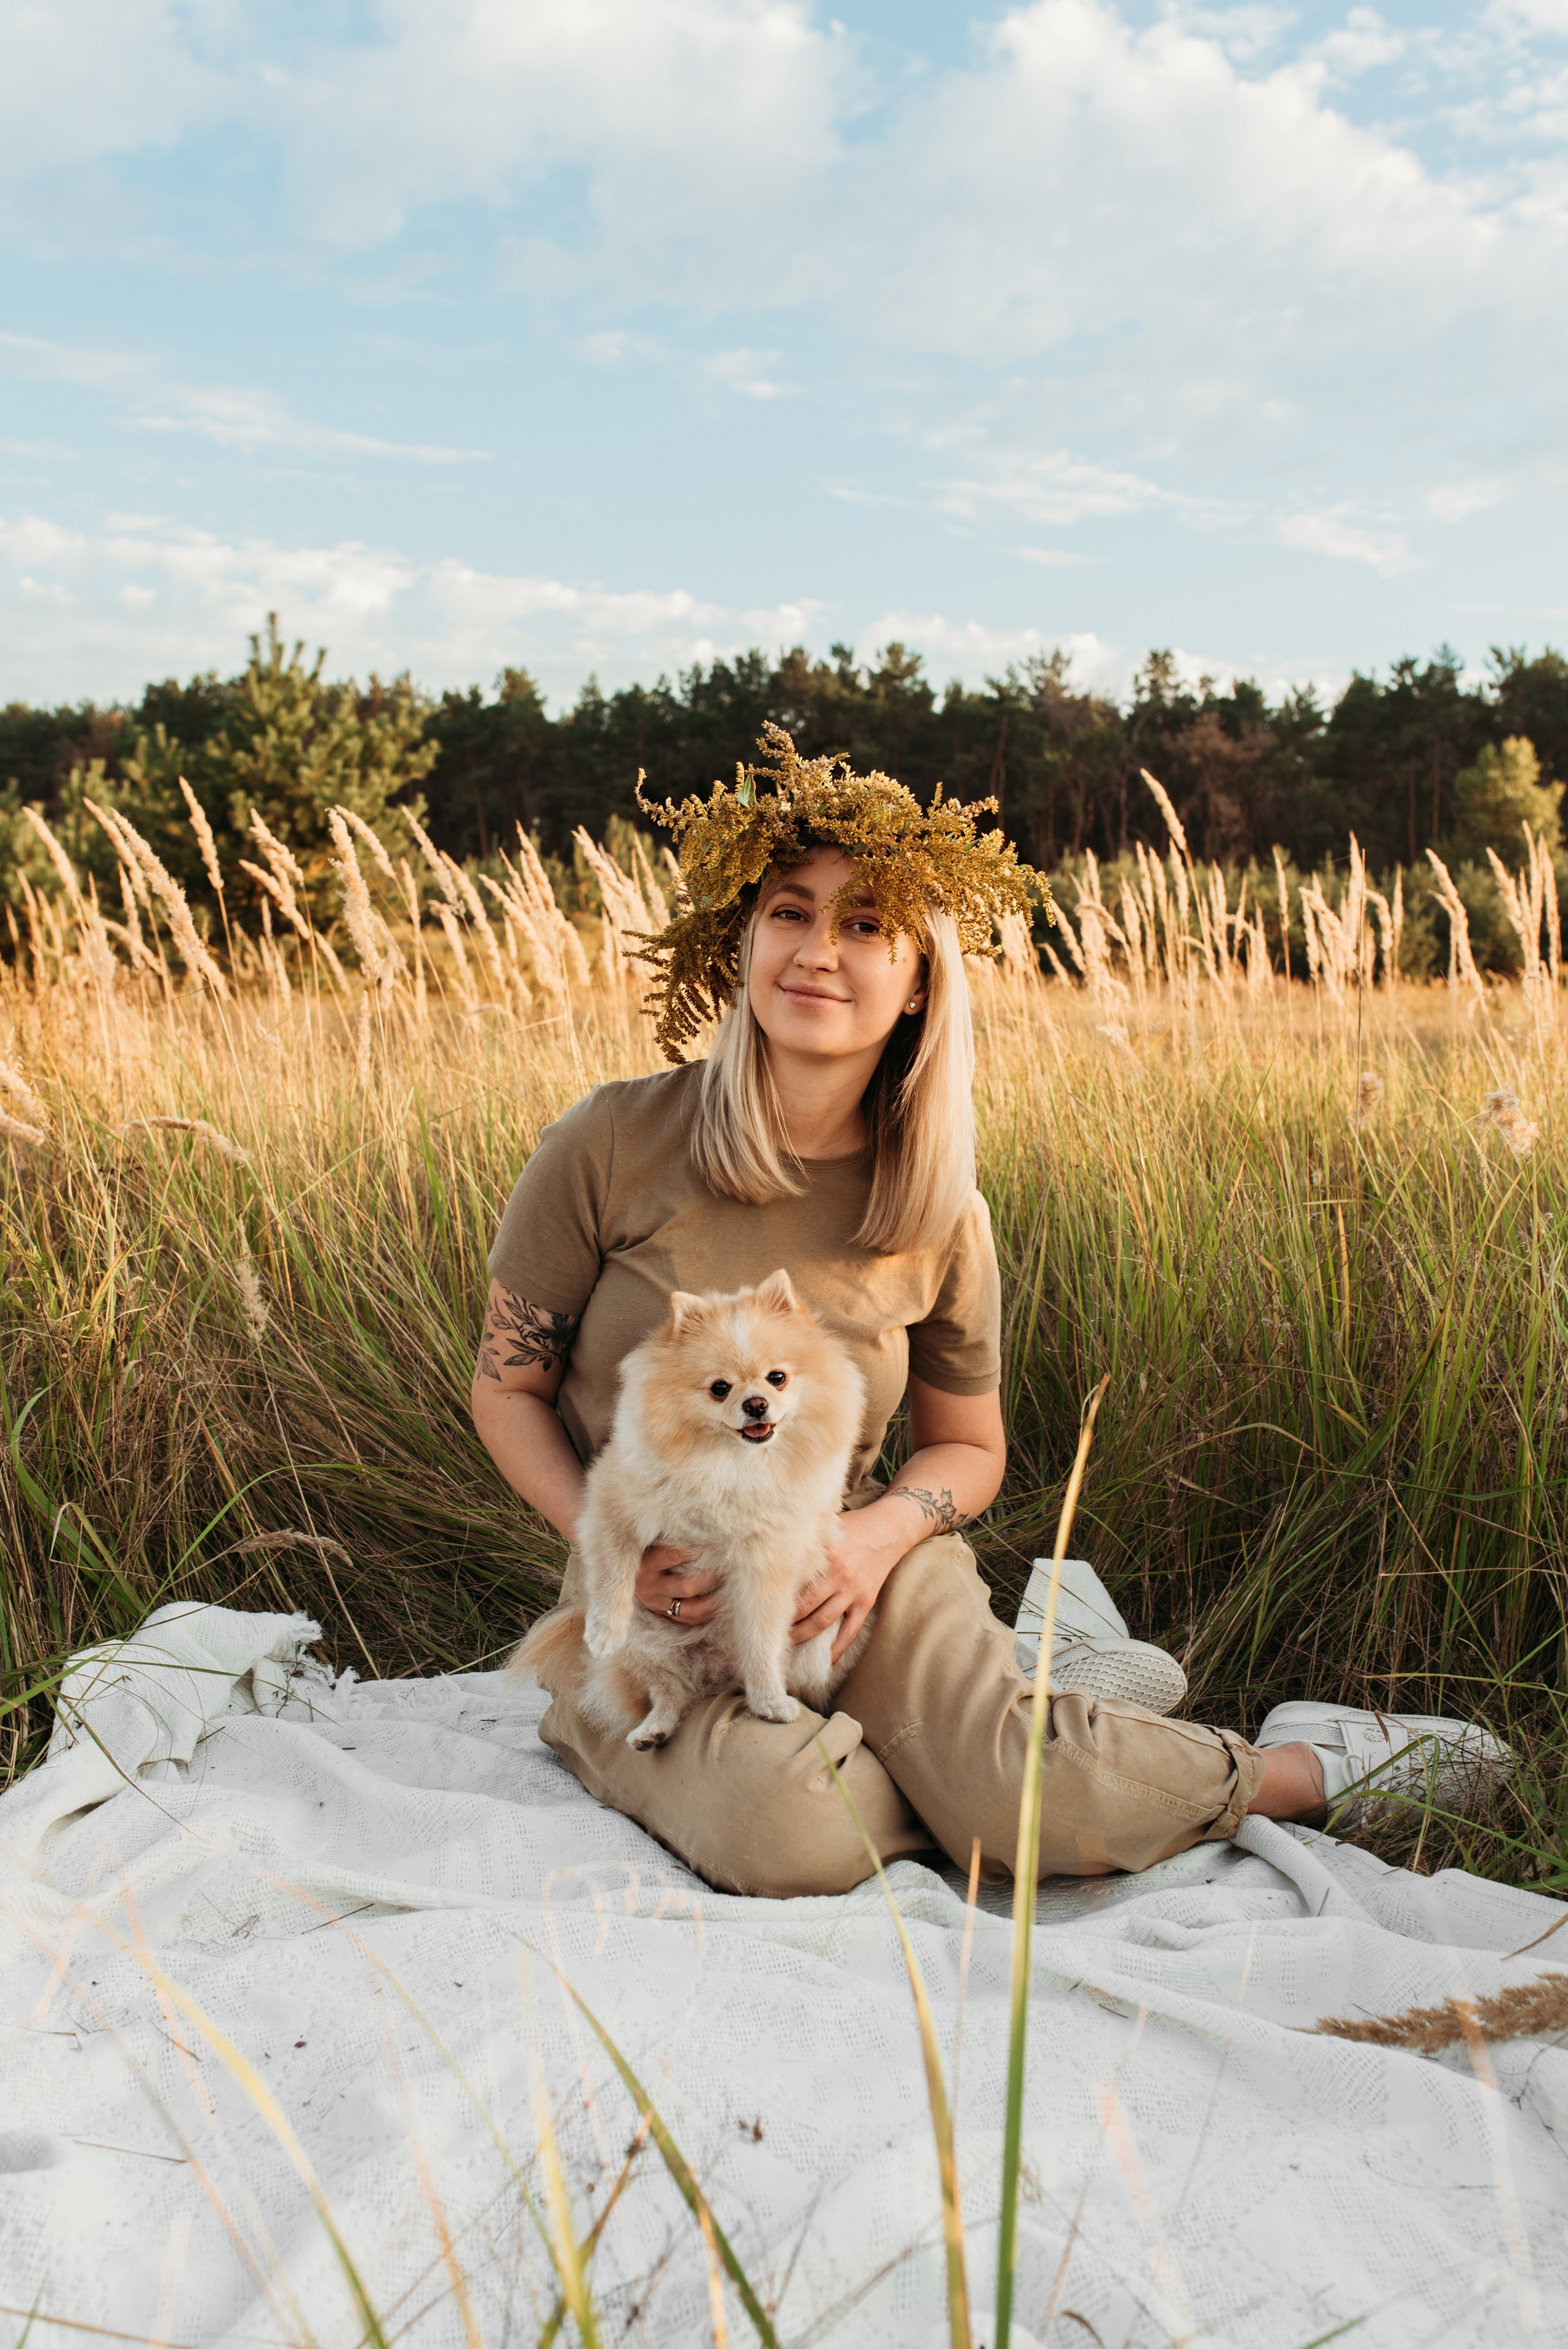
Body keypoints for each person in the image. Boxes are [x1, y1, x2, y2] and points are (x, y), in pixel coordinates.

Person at [472, 727, 1507, 1899]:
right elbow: (508, 1387)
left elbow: (969, 1448)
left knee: (1030, 1799)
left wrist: (869, 1542)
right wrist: (619, 1558)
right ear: (745, 939)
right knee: (799, 1836)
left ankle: (1296, 1768)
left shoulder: (937, 1207)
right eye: (790, 912)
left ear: (920, 981)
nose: (818, 949)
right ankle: (999, 1741)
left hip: (854, 1561)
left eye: (866, 924)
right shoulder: (612, 1141)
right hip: (648, 1598)